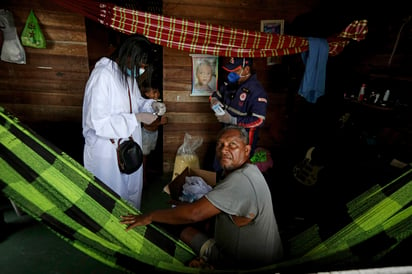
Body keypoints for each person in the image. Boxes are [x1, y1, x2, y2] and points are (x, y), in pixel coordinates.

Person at [120, 125, 283, 269]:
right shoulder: (248, 171)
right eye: (220, 145)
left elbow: (194, 214)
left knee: (170, 224)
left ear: (246, 150)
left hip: (241, 264)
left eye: (232, 145)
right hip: (261, 256)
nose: (224, 150)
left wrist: (150, 216)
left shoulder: (241, 181)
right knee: (181, 213)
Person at [82, 34, 166, 210]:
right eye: (140, 65)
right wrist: (136, 118)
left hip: (127, 147)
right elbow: (99, 123)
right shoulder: (102, 76)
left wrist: (152, 105)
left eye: (144, 67)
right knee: (110, 201)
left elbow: (136, 103)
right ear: (128, 56)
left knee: (130, 198)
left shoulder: (127, 76)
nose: (140, 70)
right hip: (107, 155)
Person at [210, 57, 268, 157]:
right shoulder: (230, 83)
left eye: (235, 71)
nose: (231, 74)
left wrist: (233, 120)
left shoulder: (257, 91)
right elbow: (216, 95)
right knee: (221, 164)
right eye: (230, 70)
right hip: (226, 134)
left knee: (238, 167)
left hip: (243, 140)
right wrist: (214, 101)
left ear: (247, 70)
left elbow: (259, 120)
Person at [140, 86, 168, 184]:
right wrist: (161, 123)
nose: (157, 94)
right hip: (147, 134)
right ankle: (143, 178)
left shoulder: (156, 105)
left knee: (149, 155)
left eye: (157, 92)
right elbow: (146, 123)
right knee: (144, 156)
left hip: (153, 133)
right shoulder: (145, 107)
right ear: (147, 94)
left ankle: (147, 173)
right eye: (154, 92)